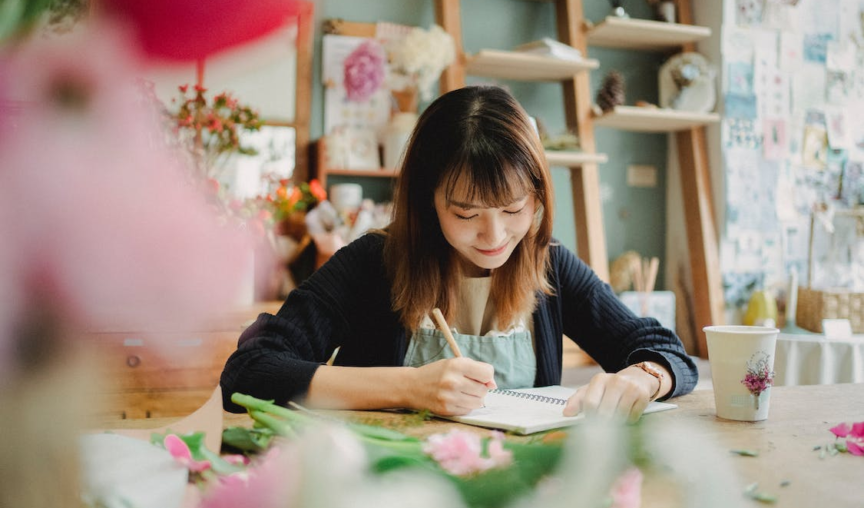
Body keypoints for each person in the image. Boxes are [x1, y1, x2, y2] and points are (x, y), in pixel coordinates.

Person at [221, 86, 698, 422]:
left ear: (538, 197)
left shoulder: (546, 263)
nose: (494, 236)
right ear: (429, 201)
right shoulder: (374, 263)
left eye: (513, 209)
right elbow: (248, 373)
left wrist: (643, 379)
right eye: (465, 213)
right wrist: (408, 388)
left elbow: (666, 351)